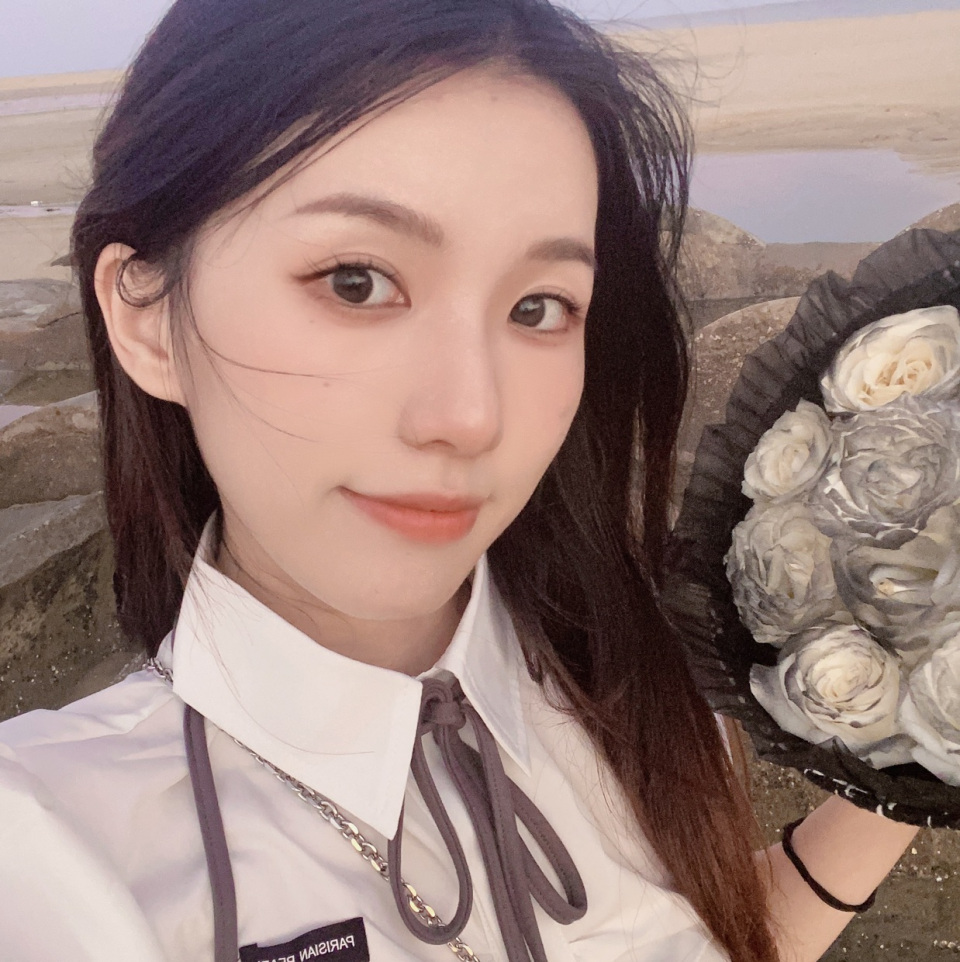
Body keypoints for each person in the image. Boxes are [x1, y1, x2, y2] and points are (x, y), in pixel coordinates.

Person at [0, 1, 920, 960]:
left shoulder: (641, 683)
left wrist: (917, 743)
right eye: (357, 282)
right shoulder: (51, 852)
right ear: (146, 314)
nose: (472, 415)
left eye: (538, 307)